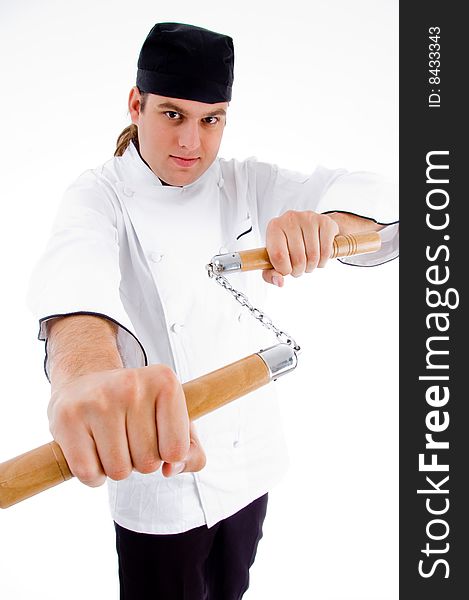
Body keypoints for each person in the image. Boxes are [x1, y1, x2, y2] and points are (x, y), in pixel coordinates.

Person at [27, 22, 399, 600]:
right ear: (136, 104)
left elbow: (384, 200)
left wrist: (327, 226)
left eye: (211, 119)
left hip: (249, 462)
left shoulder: (246, 183)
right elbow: (75, 279)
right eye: (173, 114)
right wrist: (86, 375)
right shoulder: (97, 195)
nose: (192, 143)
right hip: (161, 475)